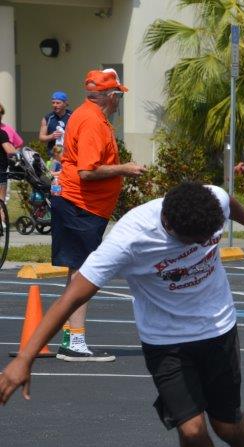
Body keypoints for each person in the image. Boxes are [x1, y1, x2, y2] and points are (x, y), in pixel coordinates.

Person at [0, 182, 244, 447]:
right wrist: (24, 358)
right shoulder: (128, 241)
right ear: (170, 226)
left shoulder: (212, 202)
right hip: (164, 341)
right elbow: (71, 298)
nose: (200, 246)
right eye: (193, 242)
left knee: (227, 425)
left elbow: (228, 201)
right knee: (191, 430)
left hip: (217, 328)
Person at [53, 70, 146, 362]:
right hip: (81, 205)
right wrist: (124, 169)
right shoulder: (92, 120)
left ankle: (70, 336)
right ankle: (75, 341)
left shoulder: (88, 115)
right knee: (84, 273)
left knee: (78, 270)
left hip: (81, 205)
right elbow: (87, 171)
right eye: (118, 95)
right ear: (109, 96)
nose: (119, 101)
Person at [39, 91, 72, 156]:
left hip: (69, 154)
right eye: (53, 103)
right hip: (53, 155)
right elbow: (41, 138)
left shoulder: (72, 116)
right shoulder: (47, 118)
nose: (55, 105)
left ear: (65, 103)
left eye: (58, 103)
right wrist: (51, 136)